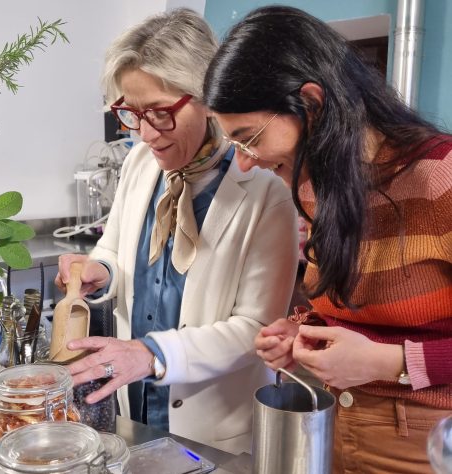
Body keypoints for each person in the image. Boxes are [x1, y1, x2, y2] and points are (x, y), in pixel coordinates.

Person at [203, 5, 452, 473]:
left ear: (312, 105)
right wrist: (306, 331)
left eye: (248, 138)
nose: (245, 163)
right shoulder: (316, 187)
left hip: (427, 441)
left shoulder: (441, 179)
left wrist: (388, 362)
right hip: (333, 422)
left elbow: (385, 347)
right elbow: (357, 309)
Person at [55, 8, 298, 455]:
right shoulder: (140, 164)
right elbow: (116, 246)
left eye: (160, 113)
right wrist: (101, 271)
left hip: (214, 429)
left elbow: (257, 329)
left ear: (206, 97)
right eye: (130, 113)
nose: (145, 133)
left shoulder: (267, 191)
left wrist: (152, 354)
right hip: (137, 408)